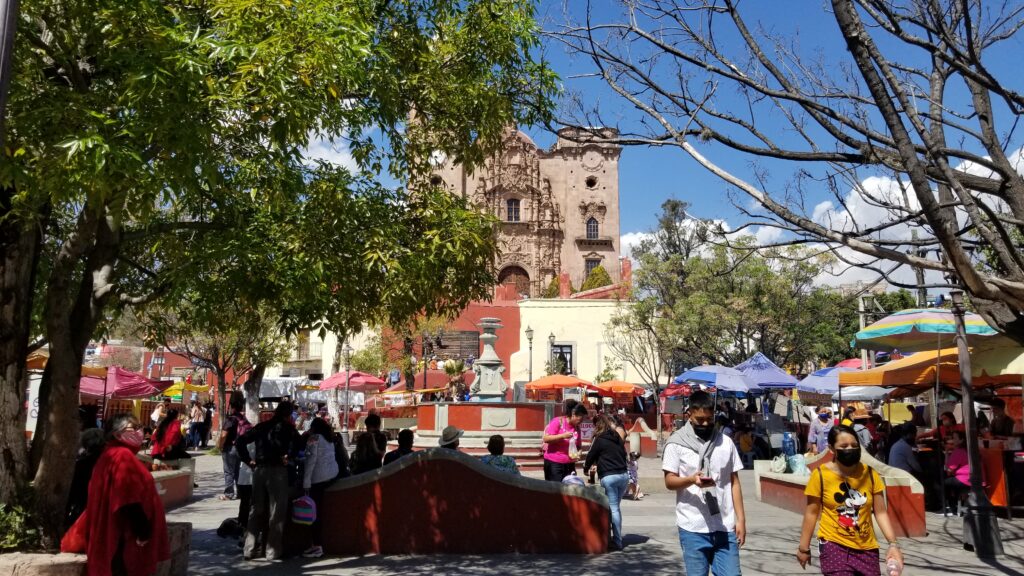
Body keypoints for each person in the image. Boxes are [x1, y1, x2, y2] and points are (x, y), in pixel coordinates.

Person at [61, 415, 169, 576]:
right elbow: (127, 497)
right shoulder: (121, 456)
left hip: (115, 535)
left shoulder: (112, 455)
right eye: (134, 428)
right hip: (124, 537)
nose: (140, 432)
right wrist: (142, 530)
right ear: (117, 434)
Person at [796, 425, 904, 575]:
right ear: (832, 449)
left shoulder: (870, 474)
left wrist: (893, 544)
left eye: (854, 445)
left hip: (867, 548)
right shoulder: (820, 475)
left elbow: (880, 513)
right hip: (834, 546)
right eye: (844, 446)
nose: (850, 449)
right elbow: (811, 513)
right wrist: (803, 547)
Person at [662, 390, 746, 576]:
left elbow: (734, 482)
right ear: (689, 415)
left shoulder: (725, 443)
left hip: (725, 525)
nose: (706, 424)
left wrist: (741, 520)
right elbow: (669, 481)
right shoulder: (676, 444)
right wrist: (691, 480)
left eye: (709, 419)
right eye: (700, 420)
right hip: (693, 526)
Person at [236, 401, 300, 562]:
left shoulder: (262, 426)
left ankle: (249, 549)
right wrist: (289, 456)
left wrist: (248, 460)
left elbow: (240, 441)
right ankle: (272, 551)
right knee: (277, 512)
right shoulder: (289, 429)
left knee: (256, 509)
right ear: (288, 414)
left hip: (259, 470)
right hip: (278, 471)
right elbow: (299, 445)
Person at [584, 415, 629, 550]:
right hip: (623, 475)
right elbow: (623, 454)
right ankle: (610, 537)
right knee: (614, 508)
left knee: (613, 508)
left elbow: (590, 455)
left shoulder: (599, 440)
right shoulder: (616, 438)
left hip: (609, 476)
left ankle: (617, 541)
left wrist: (586, 469)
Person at [301, 417, 339, 559]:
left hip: (318, 479)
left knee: (314, 514)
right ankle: (317, 545)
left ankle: (317, 546)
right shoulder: (329, 438)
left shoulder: (314, 438)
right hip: (332, 476)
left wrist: (306, 483)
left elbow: (310, 461)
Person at [65, 428, 106, 529]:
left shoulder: (81, 464)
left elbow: (72, 491)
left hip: (83, 509)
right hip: (103, 511)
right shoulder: (109, 463)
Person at [541, 403, 587, 481]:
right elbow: (546, 438)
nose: (581, 422)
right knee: (556, 490)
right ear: (573, 414)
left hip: (569, 464)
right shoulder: (558, 421)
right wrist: (562, 436)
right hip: (554, 463)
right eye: (580, 419)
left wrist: (579, 453)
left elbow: (579, 446)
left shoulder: (577, 428)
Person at [943, 431, 971, 516]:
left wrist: (947, 453)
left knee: (944, 483)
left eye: (955, 438)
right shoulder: (968, 449)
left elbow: (948, 470)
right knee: (951, 482)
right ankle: (957, 503)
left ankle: (953, 507)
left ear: (961, 440)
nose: (952, 440)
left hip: (965, 479)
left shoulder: (958, 451)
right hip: (973, 478)